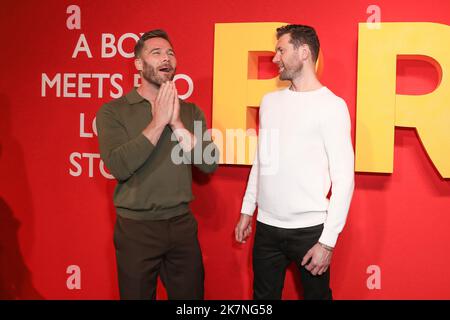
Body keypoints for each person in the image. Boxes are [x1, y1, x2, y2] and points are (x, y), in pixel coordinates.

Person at [96, 29, 218, 300]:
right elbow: (119, 165)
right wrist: (158, 122)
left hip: (181, 226)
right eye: (157, 53)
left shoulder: (189, 111)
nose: (167, 58)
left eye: (171, 53)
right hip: (137, 229)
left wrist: (175, 123)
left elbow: (209, 163)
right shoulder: (113, 111)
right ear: (138, 64)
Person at [235, 24, 355, 300]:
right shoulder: (269, 102)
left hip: (311, 232)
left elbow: (344, 179)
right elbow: (262, 160)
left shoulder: (333, 106)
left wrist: (327, 241)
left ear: (303, 52)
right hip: (266, 229)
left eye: (281, 50)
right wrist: (246, 209)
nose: (275, 57)